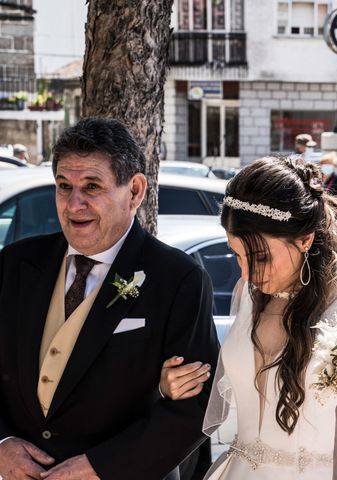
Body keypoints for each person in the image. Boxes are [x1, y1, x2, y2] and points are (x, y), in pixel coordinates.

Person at [161, 156, 337, 479]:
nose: (248, 273)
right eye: (237, 255)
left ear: (305, 239)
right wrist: (173, 386)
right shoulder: (246, 295)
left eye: (260, 257)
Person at [0, 117, 219, 480]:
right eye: (63, 186)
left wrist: (103, 467)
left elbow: (199, 406)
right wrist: (2, 442)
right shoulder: (14, 264)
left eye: (91, 186)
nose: (74, 204)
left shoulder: (179, 279)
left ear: (134, 191)